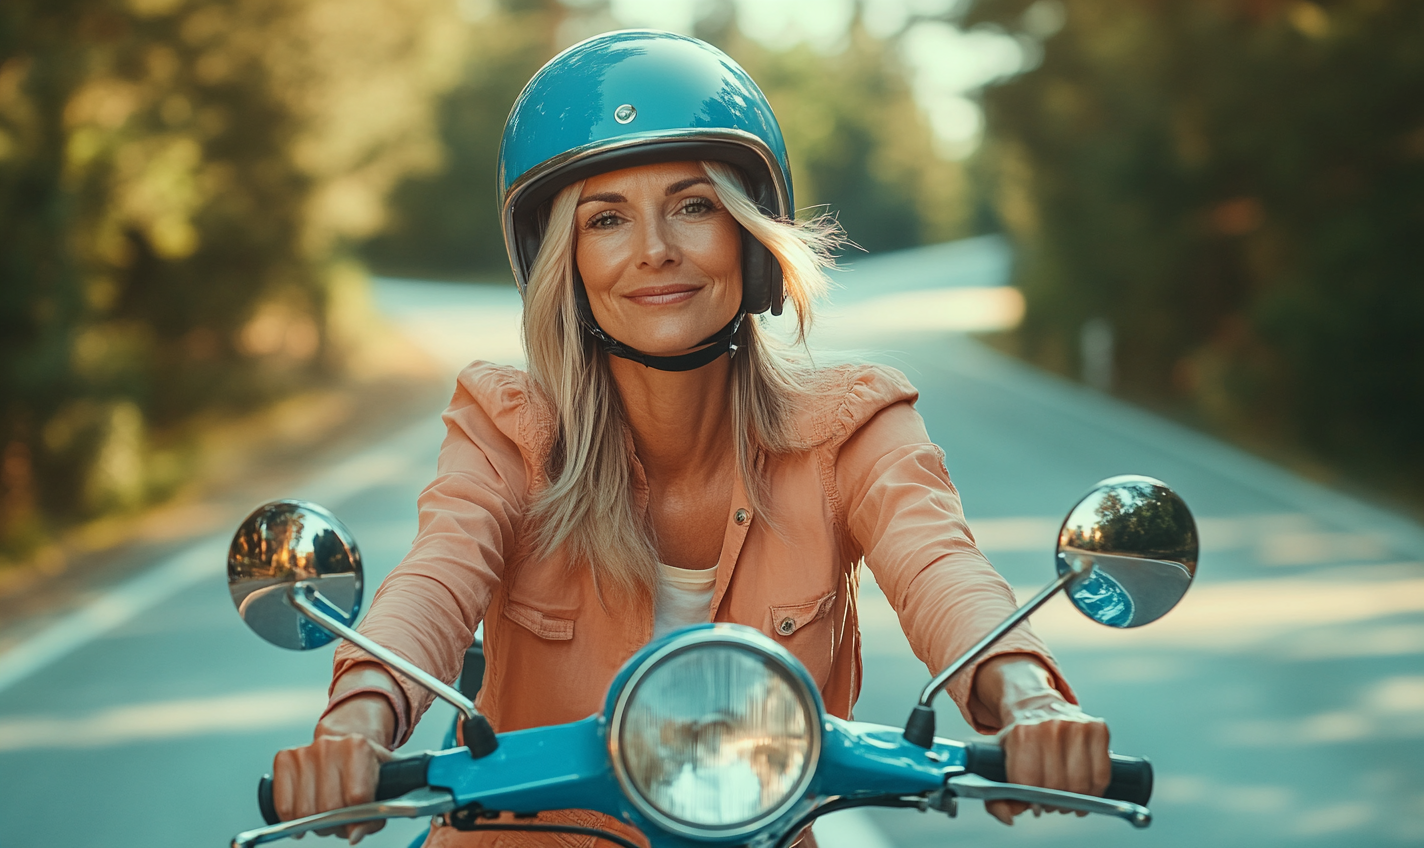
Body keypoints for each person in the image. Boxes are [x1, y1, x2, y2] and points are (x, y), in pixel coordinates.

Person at [270, 30, 1111, 847]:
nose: (655, 252)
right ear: (561, 260)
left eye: (694, 206)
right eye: (606, 220)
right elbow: (437, 577)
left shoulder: (853, 427)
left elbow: (943, 570)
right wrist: (358, 722)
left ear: (749, 237)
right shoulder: (507, 428)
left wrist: (1030, 698)